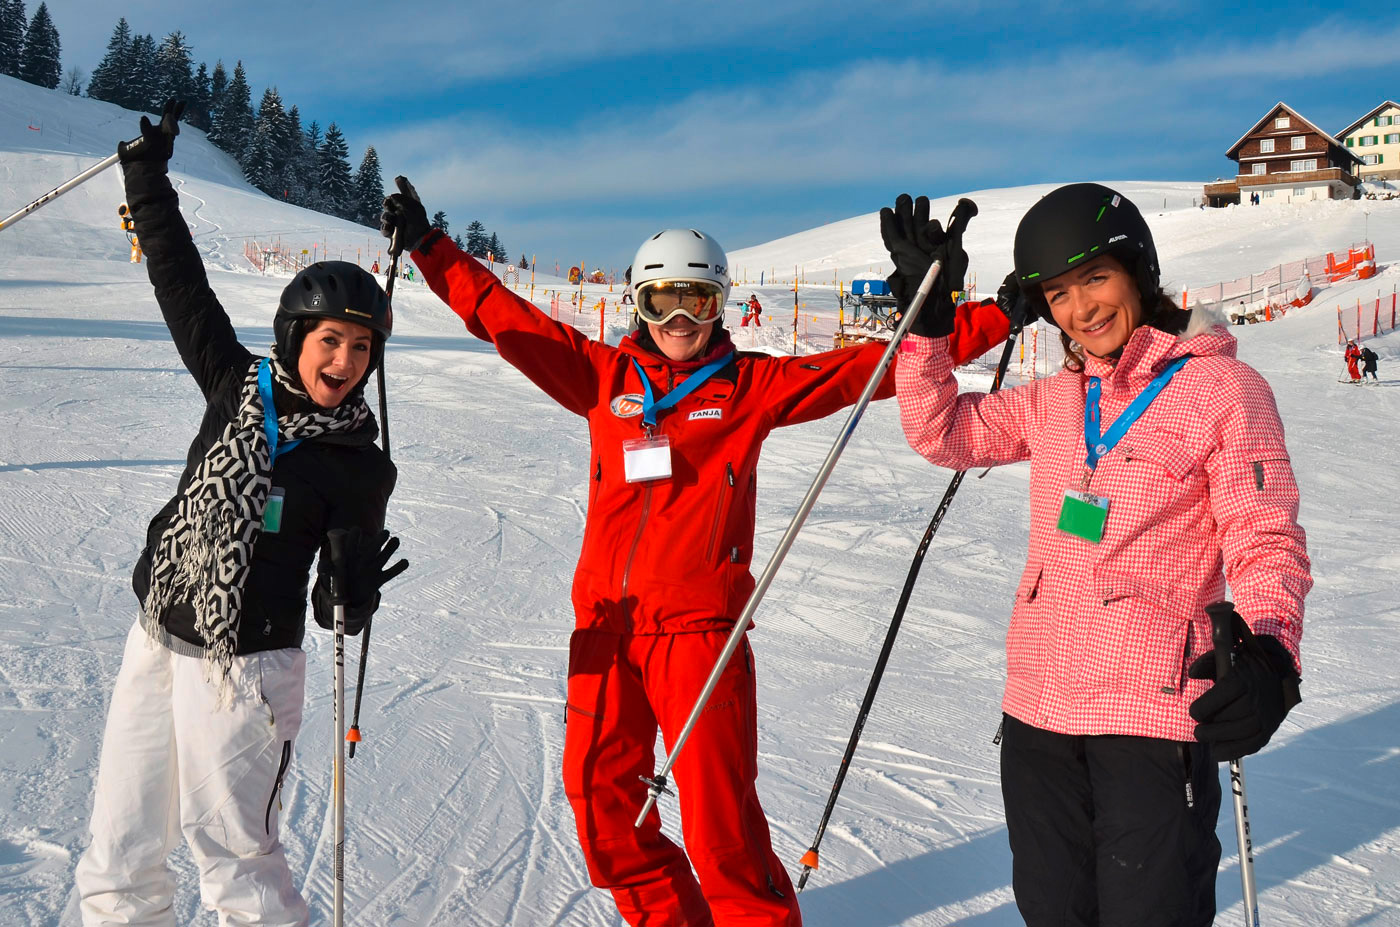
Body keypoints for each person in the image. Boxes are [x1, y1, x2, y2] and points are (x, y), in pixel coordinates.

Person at [380, 178, 1012, 927]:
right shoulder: (602, 378)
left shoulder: (750, 386)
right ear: (637, 306)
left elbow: (872, 366)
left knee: (721, 827)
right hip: (606, 633)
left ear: (720, 305)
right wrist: (432, 249)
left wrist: (997, 315)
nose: (680, 319)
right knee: (602, 809)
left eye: (699, 301)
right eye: (662, 301)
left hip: (698, 637)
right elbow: (506, 319)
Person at [885, 184, 1310, 927]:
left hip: (1152, 721)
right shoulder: (1056, 400)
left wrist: (1272, 648)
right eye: (1058, 292)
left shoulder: (1223, 390)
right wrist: (927, 330)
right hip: (1039, 716)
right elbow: (943, 432)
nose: (1081, 308)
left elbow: (1264, 534)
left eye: (1094, 278)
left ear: (1136, 268)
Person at [75, 102, 409, 927]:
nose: (344, 361)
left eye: (361, 347)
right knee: (119, 847)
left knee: (237, 862)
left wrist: (351, 595)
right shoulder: (238, 387)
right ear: (296, 335)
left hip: (249, 669)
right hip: (158, 633)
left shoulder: (358, 462)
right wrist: (146, 180)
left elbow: (334, 602)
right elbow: (179, 282)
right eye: (330, 339)